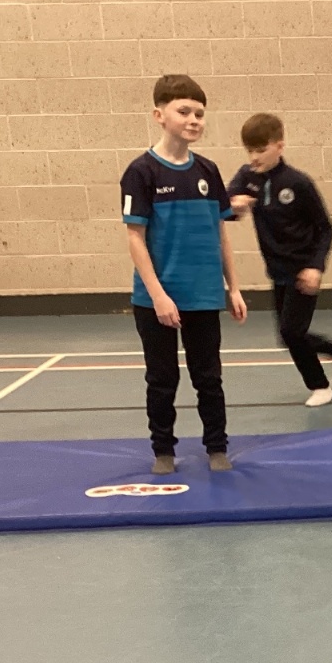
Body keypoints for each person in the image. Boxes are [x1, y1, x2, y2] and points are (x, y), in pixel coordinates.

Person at [119, 74, 247, 474]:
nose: (194, 120)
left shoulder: (208, 170)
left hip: (203, 294)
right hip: (156, 298)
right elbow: (135, 238)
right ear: (159, 115)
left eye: (200, 113)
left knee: (209, 377)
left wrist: (233, 287)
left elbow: (220, 232)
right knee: (162, 379)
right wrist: (159, 295)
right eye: (184, 111)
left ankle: (216, 446)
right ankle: (163, 450)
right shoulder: (141, 172)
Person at [227, 113, 332, 408]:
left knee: (291, 332)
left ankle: (321, 386)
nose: (254, 157)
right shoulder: (247, 177)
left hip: (302, 270)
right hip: (277, 270)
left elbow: (325, 228)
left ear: (279, 146)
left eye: (261, 150)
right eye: (250, 150)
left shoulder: (298, 183)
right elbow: (224, 208)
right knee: (288, 335)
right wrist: (234, 207)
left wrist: (315, 266)